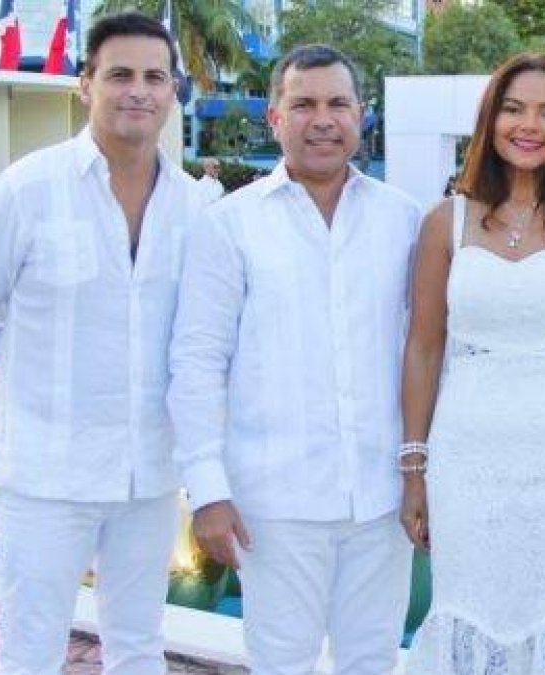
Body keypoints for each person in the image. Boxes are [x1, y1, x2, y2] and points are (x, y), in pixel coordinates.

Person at [0, 12, 204, 675]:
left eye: (154, 76)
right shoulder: (25, 192)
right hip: (45, 477)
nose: (137, 90)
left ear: (173, 91)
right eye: (119, 74)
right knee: (31, 650)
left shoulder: (197, 207)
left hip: (149, 475)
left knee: (139, 646)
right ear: (86, 83)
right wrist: (37, 389)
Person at [168, 44, 421, 675]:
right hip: (273, 505)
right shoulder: (230, 225)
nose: (323, 118)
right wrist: (207, 491)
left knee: (372, 662)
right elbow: (197, 362)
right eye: (303, 103)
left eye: (338, 103)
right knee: (281, 664)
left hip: (381, 500)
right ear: (276, 119)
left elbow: (426, 352)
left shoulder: (405, 222)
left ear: (361, 115)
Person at [399, 53, 545, 673]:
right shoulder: (442, 223)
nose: (529, 125)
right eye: (513, 108)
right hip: (467, 461)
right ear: (490, 119)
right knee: (467, 614)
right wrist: (415, 467)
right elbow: (424, 348)